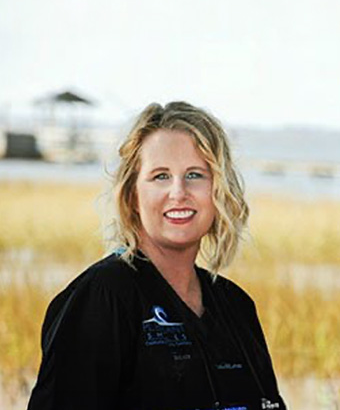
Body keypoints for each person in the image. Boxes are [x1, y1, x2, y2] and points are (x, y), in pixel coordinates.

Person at [28, 102, 286, 410]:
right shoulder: (102, 297)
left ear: (219, 190)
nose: (178, 192)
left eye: (195, 174)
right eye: (161, 176)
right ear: (132, 195)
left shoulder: (236, 306)